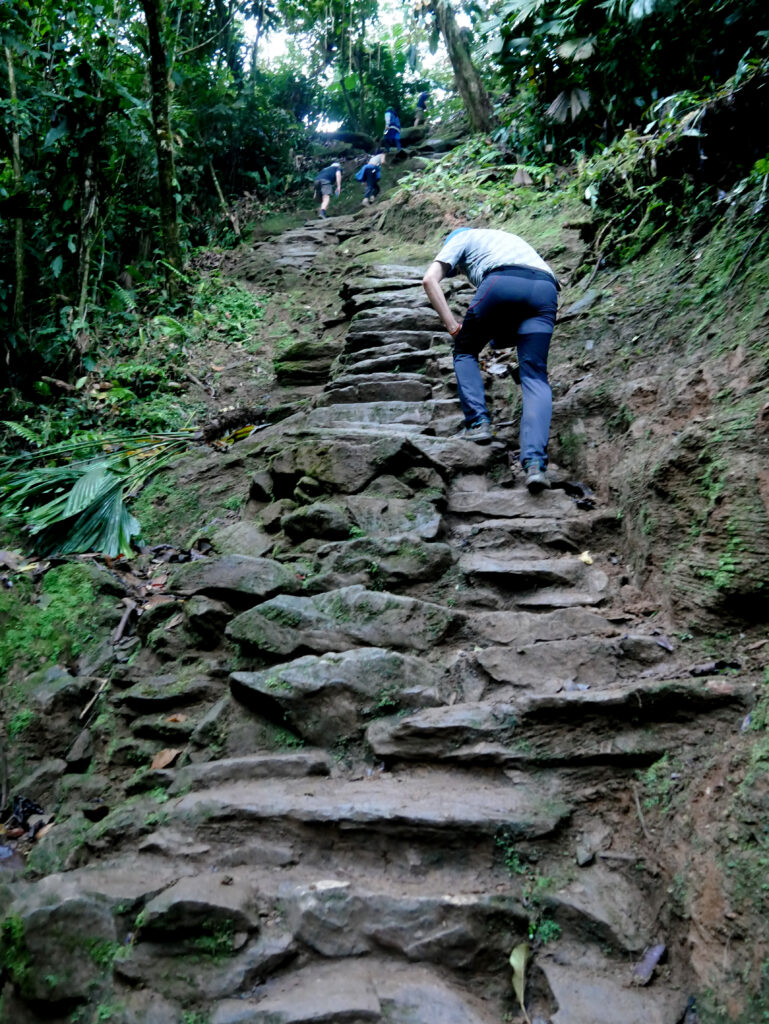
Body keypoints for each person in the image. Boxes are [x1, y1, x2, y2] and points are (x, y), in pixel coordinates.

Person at [422, 226, 559, 493]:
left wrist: (452, 326)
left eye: (458, 270)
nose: (459, 272)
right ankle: (535, 466)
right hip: (545, 290)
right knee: (535, 377)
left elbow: (429, 280)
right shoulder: (507, 239)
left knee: (464, 351)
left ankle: (478, 423)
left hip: (502, 282)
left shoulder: (461, 238)